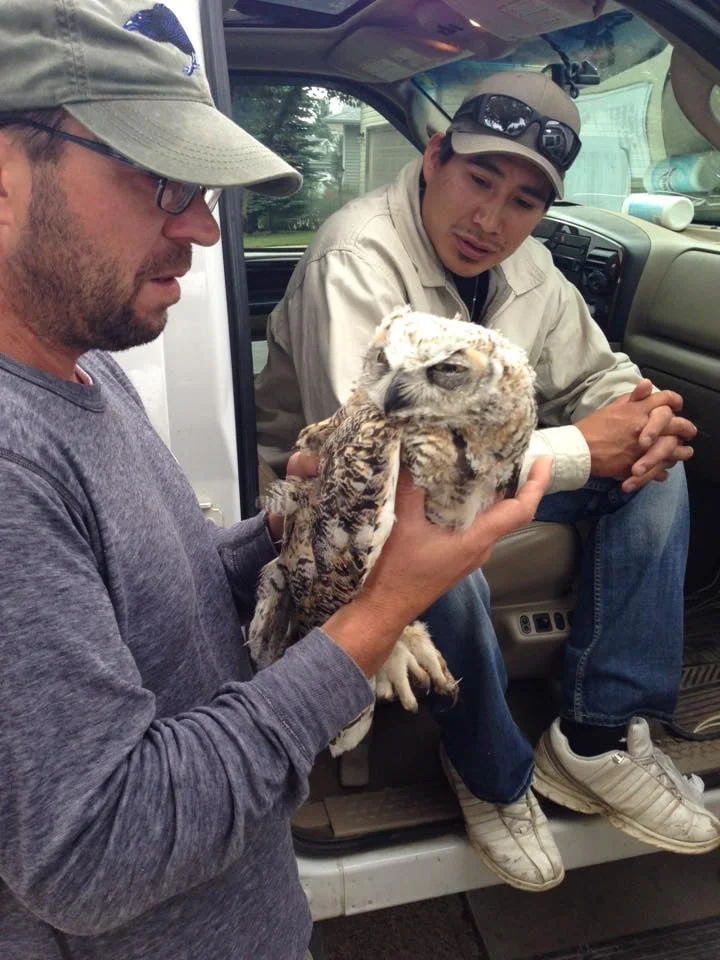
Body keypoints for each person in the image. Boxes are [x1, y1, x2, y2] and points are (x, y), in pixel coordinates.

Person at [0, 4, 553, 960]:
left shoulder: (83, 368)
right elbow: (97, 852)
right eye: (166, 179)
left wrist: (292, 526)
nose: (203, 231)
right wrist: (382, 611)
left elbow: (154, 606)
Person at [255, 69, 720, 892]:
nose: (489, 220)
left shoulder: (532, 268)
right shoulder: (356, 254)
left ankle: (597, 737)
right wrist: (584, 446)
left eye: (523, 202)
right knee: (440, 552)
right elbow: (382, 463)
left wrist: (640, 421)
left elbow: (600, 376)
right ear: (435, 156)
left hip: (464, 474)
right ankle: (492, 771)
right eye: (479, 178)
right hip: (337, 501)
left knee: (659, 475)